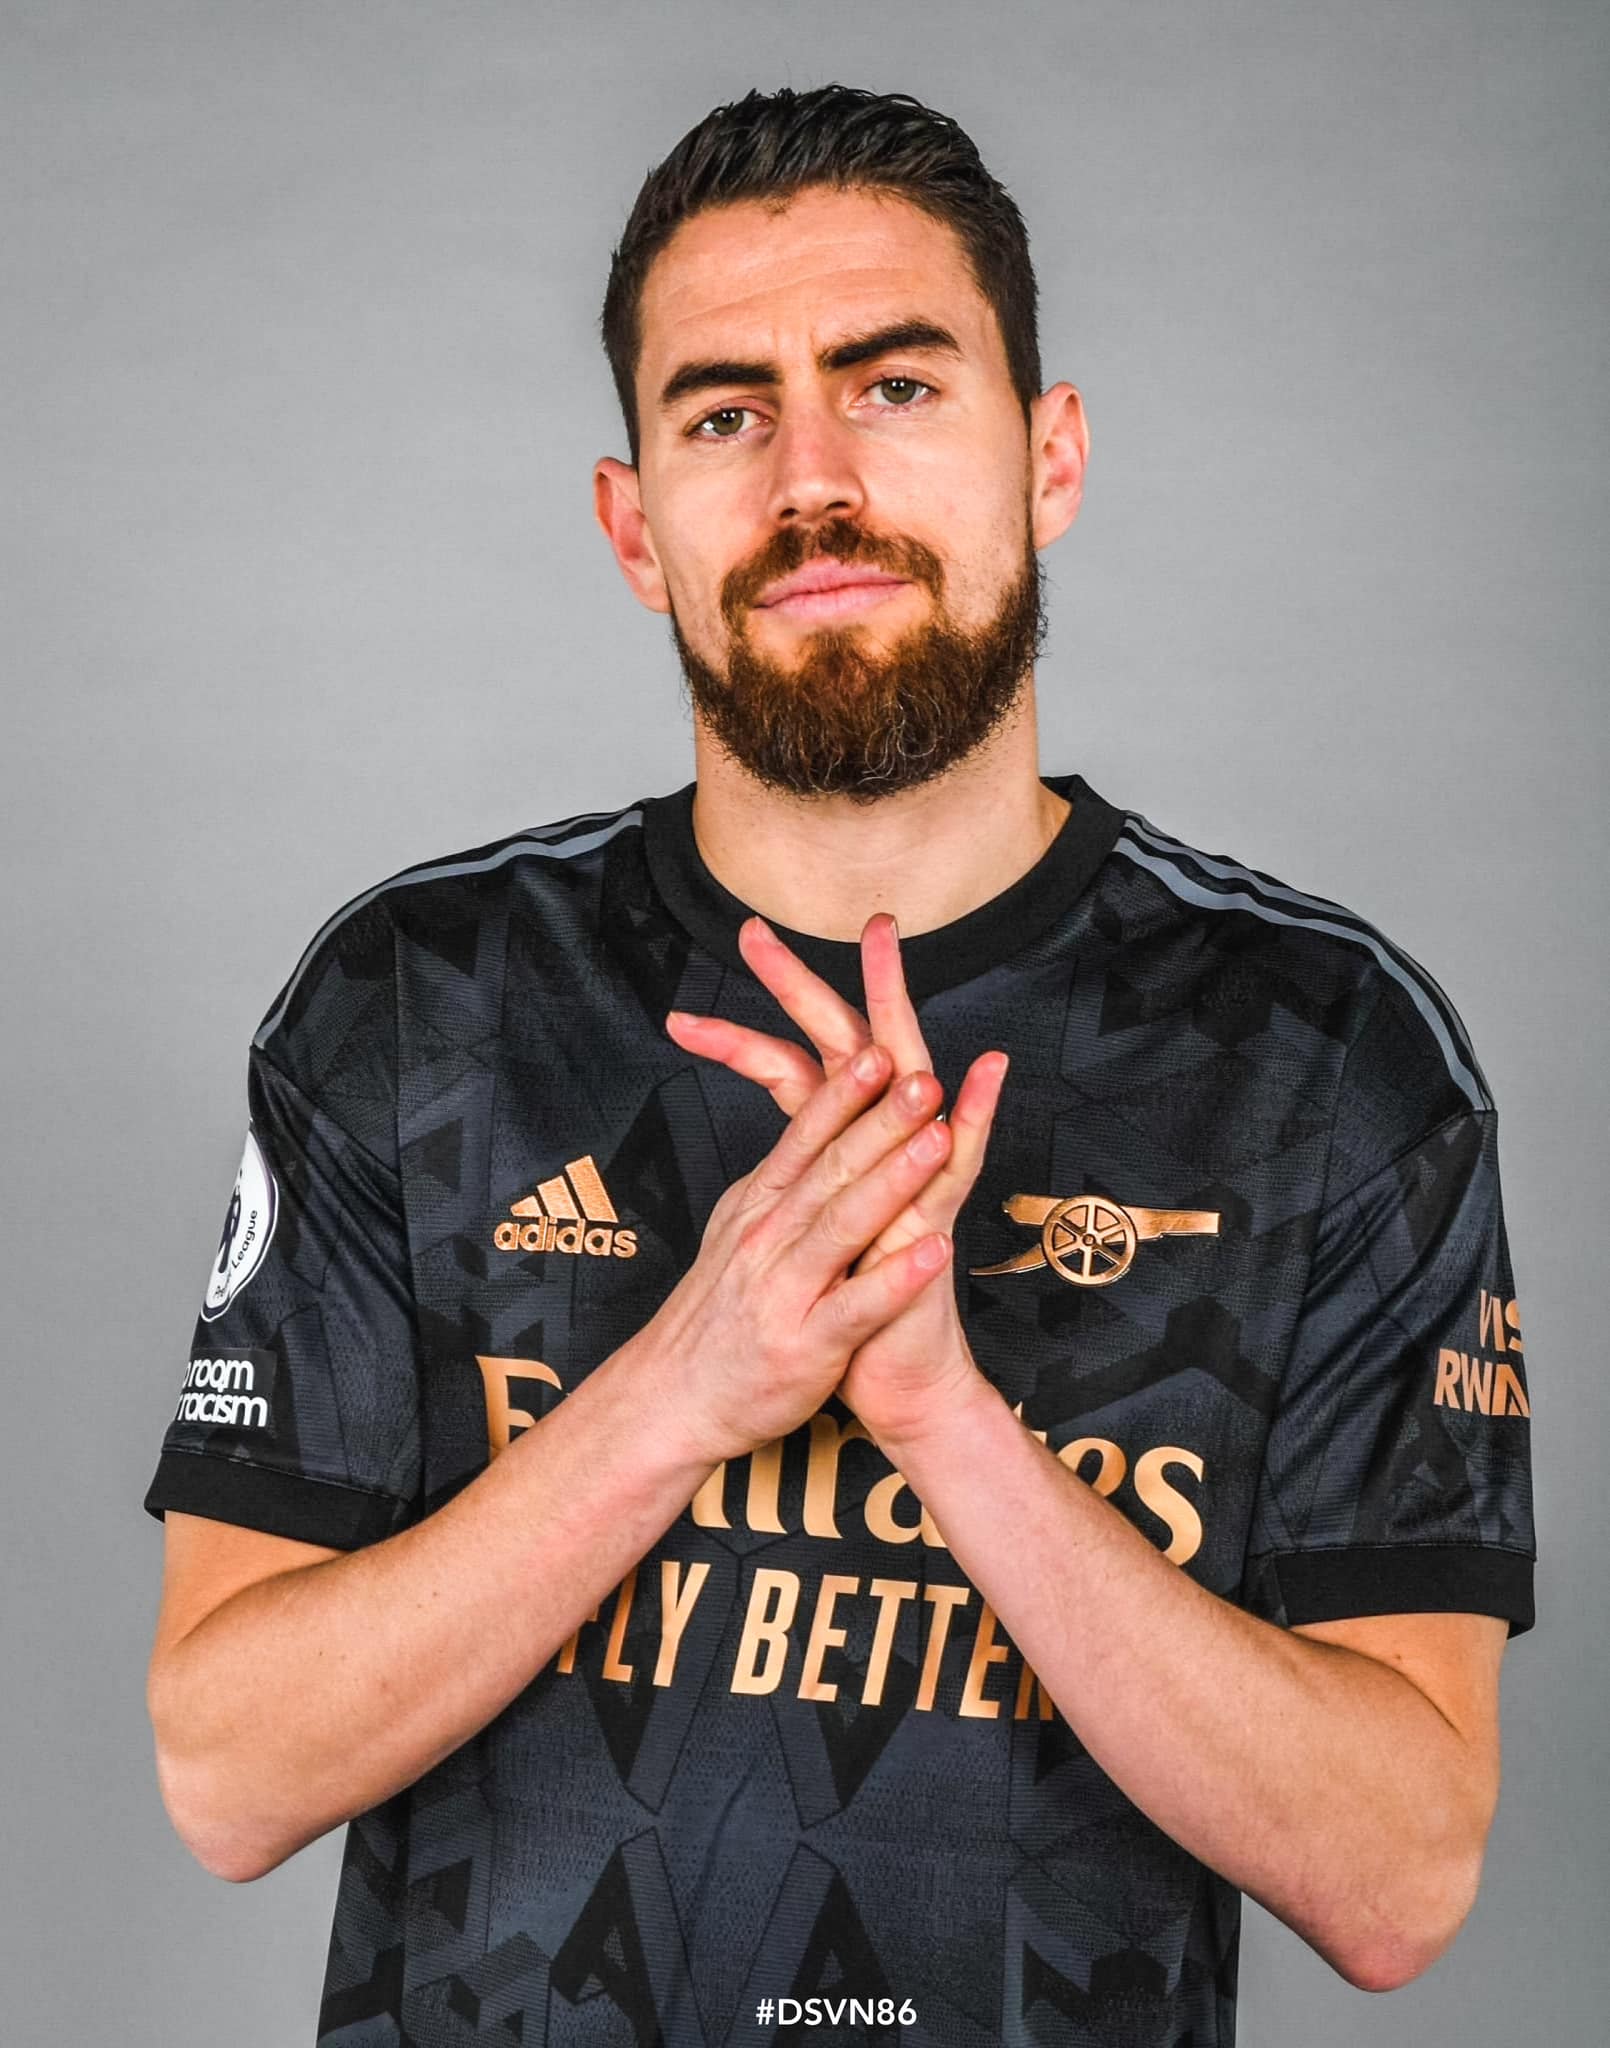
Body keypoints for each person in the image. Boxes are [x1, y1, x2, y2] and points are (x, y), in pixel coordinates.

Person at [143, 82, 1536, 2048]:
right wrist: (681, 1388)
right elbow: (225, 1773)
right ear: (634, 525)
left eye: (894, 387)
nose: (814, 477)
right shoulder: (418, 1001)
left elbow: (1397, 1884)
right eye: (725, 415)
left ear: (1048, 455)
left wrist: (948, 1422)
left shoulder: (1328, 1055)